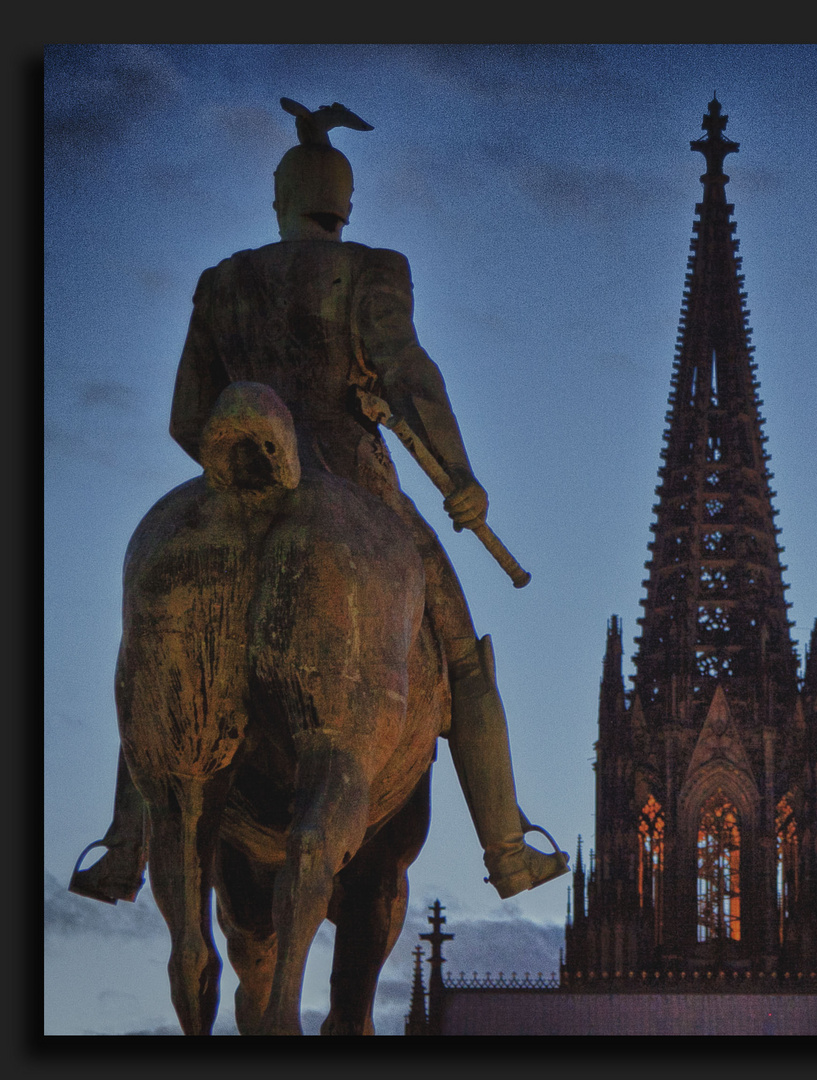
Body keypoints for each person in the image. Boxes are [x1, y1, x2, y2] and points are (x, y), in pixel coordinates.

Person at [71, 100, 565, 902]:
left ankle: (125, 847)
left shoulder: (222, 283)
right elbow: (410, 373)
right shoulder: (374, 268)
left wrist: (247, 469)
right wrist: (460, 477)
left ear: (280, 199)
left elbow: (186, 419)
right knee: (466, 664)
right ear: (344, 205)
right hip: (355, 484)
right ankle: (508, 851)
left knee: (156, 655)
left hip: (231, 494)